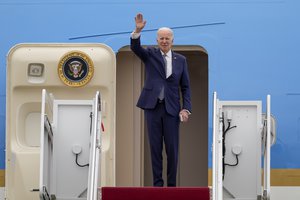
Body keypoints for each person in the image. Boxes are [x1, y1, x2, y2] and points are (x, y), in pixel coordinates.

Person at [130, 13, 192, 187]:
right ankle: (158, 185)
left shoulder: (181, 60)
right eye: (161, 38)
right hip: (153, 107)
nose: (164, 41)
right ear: (157, 40)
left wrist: (186, 108)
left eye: (167, 38)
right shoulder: (150, 54)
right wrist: (137, 30)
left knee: (172, 150)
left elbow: (185, 87)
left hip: (172, 110)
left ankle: (171, 186)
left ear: (172, 40)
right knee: (155, 149)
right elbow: (135, 48)